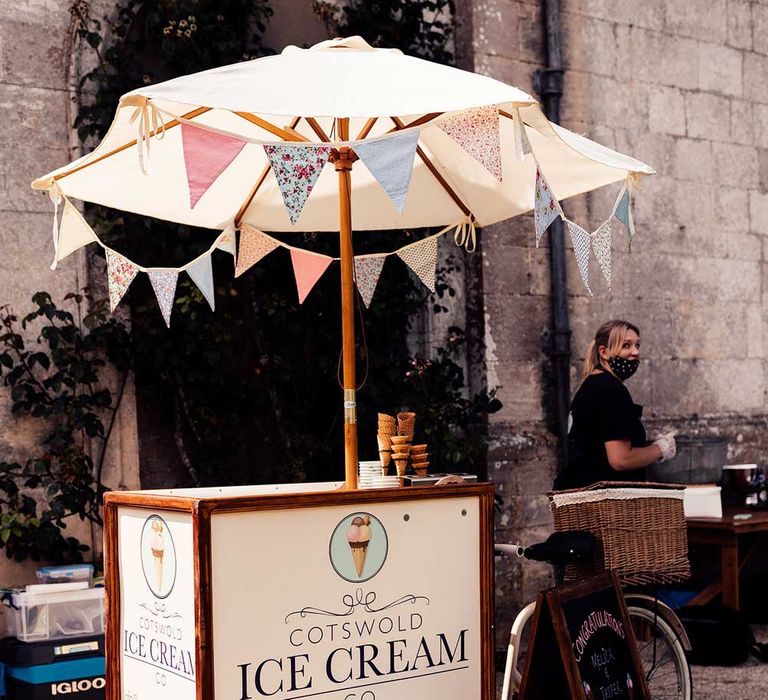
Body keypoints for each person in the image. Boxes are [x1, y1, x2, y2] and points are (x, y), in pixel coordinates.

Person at [554, 320, 676, 490]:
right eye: (626, 345)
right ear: (604, 352)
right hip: (605, 503)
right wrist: (661, 449)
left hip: (582, 492)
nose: (635, 352)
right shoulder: (611, 390)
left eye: (637, 345)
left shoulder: (592, 384)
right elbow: (621, 459)